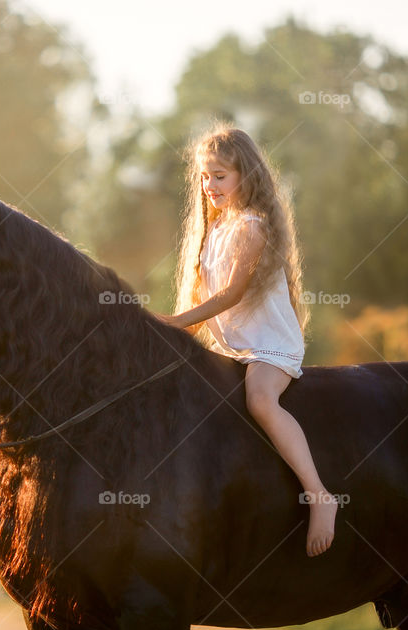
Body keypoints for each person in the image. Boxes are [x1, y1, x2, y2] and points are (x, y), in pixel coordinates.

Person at [155, 124, 337, 557]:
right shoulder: (213, 233)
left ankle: (319, 494)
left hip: (268, 346)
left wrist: (175, 322)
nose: (210, 185)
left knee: (259, 399)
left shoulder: (252, 227)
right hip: (231, 349)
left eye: (220, 175)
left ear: (246, 176)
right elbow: (206, 305)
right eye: (204, 176)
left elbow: (231, 295)